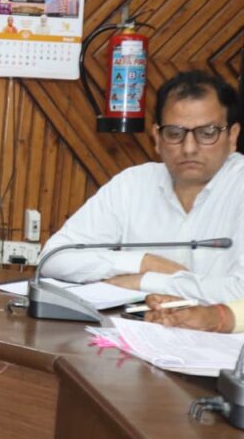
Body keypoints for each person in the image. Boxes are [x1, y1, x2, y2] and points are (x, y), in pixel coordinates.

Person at [39, 70, 244, 302]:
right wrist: (144, 263)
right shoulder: (133, 183)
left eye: (207, 134)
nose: (189, 148)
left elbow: (240, 292)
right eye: (174, 133)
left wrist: (142, 281)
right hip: (132, 322)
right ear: (157, 137)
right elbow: (53, 258)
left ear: (232, 137)